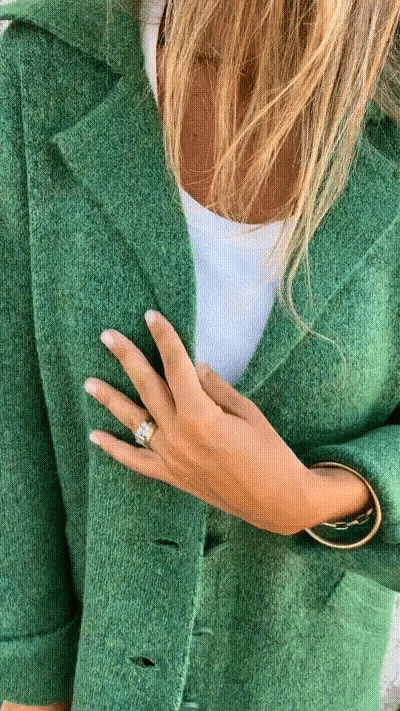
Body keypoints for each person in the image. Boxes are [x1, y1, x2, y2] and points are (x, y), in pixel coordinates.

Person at [0, 0, 400, 708]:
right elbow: (12, 432)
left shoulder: (386, 104)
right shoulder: (45, 68)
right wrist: (26, 690)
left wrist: (312, 498)